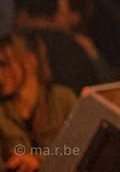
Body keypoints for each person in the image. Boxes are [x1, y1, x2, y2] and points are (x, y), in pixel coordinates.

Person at [0, 34, 78, 172]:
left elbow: (80, 147)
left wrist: (40, 159)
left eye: (4, 64)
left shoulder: (62, 99)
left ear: (30, 61)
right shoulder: (2, 111)